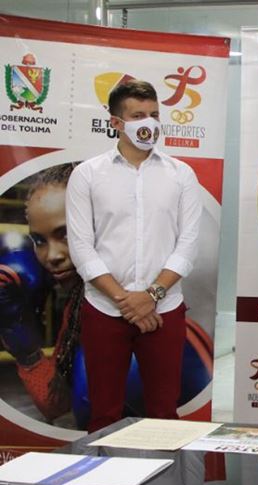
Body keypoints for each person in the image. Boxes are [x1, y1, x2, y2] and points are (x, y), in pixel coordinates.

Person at [66, 79, 202, 432]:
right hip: (104, 309)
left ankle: (164, 471)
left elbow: (188, 244)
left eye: (155, 114)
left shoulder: (181, 175)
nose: (149, 123)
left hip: (164, 309)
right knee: (103, 414)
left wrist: (151, 296)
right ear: (116, 122)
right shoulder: (87, 175)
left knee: (164, 414)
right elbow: (81, 247)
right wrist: (127, 301)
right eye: (138, 115)